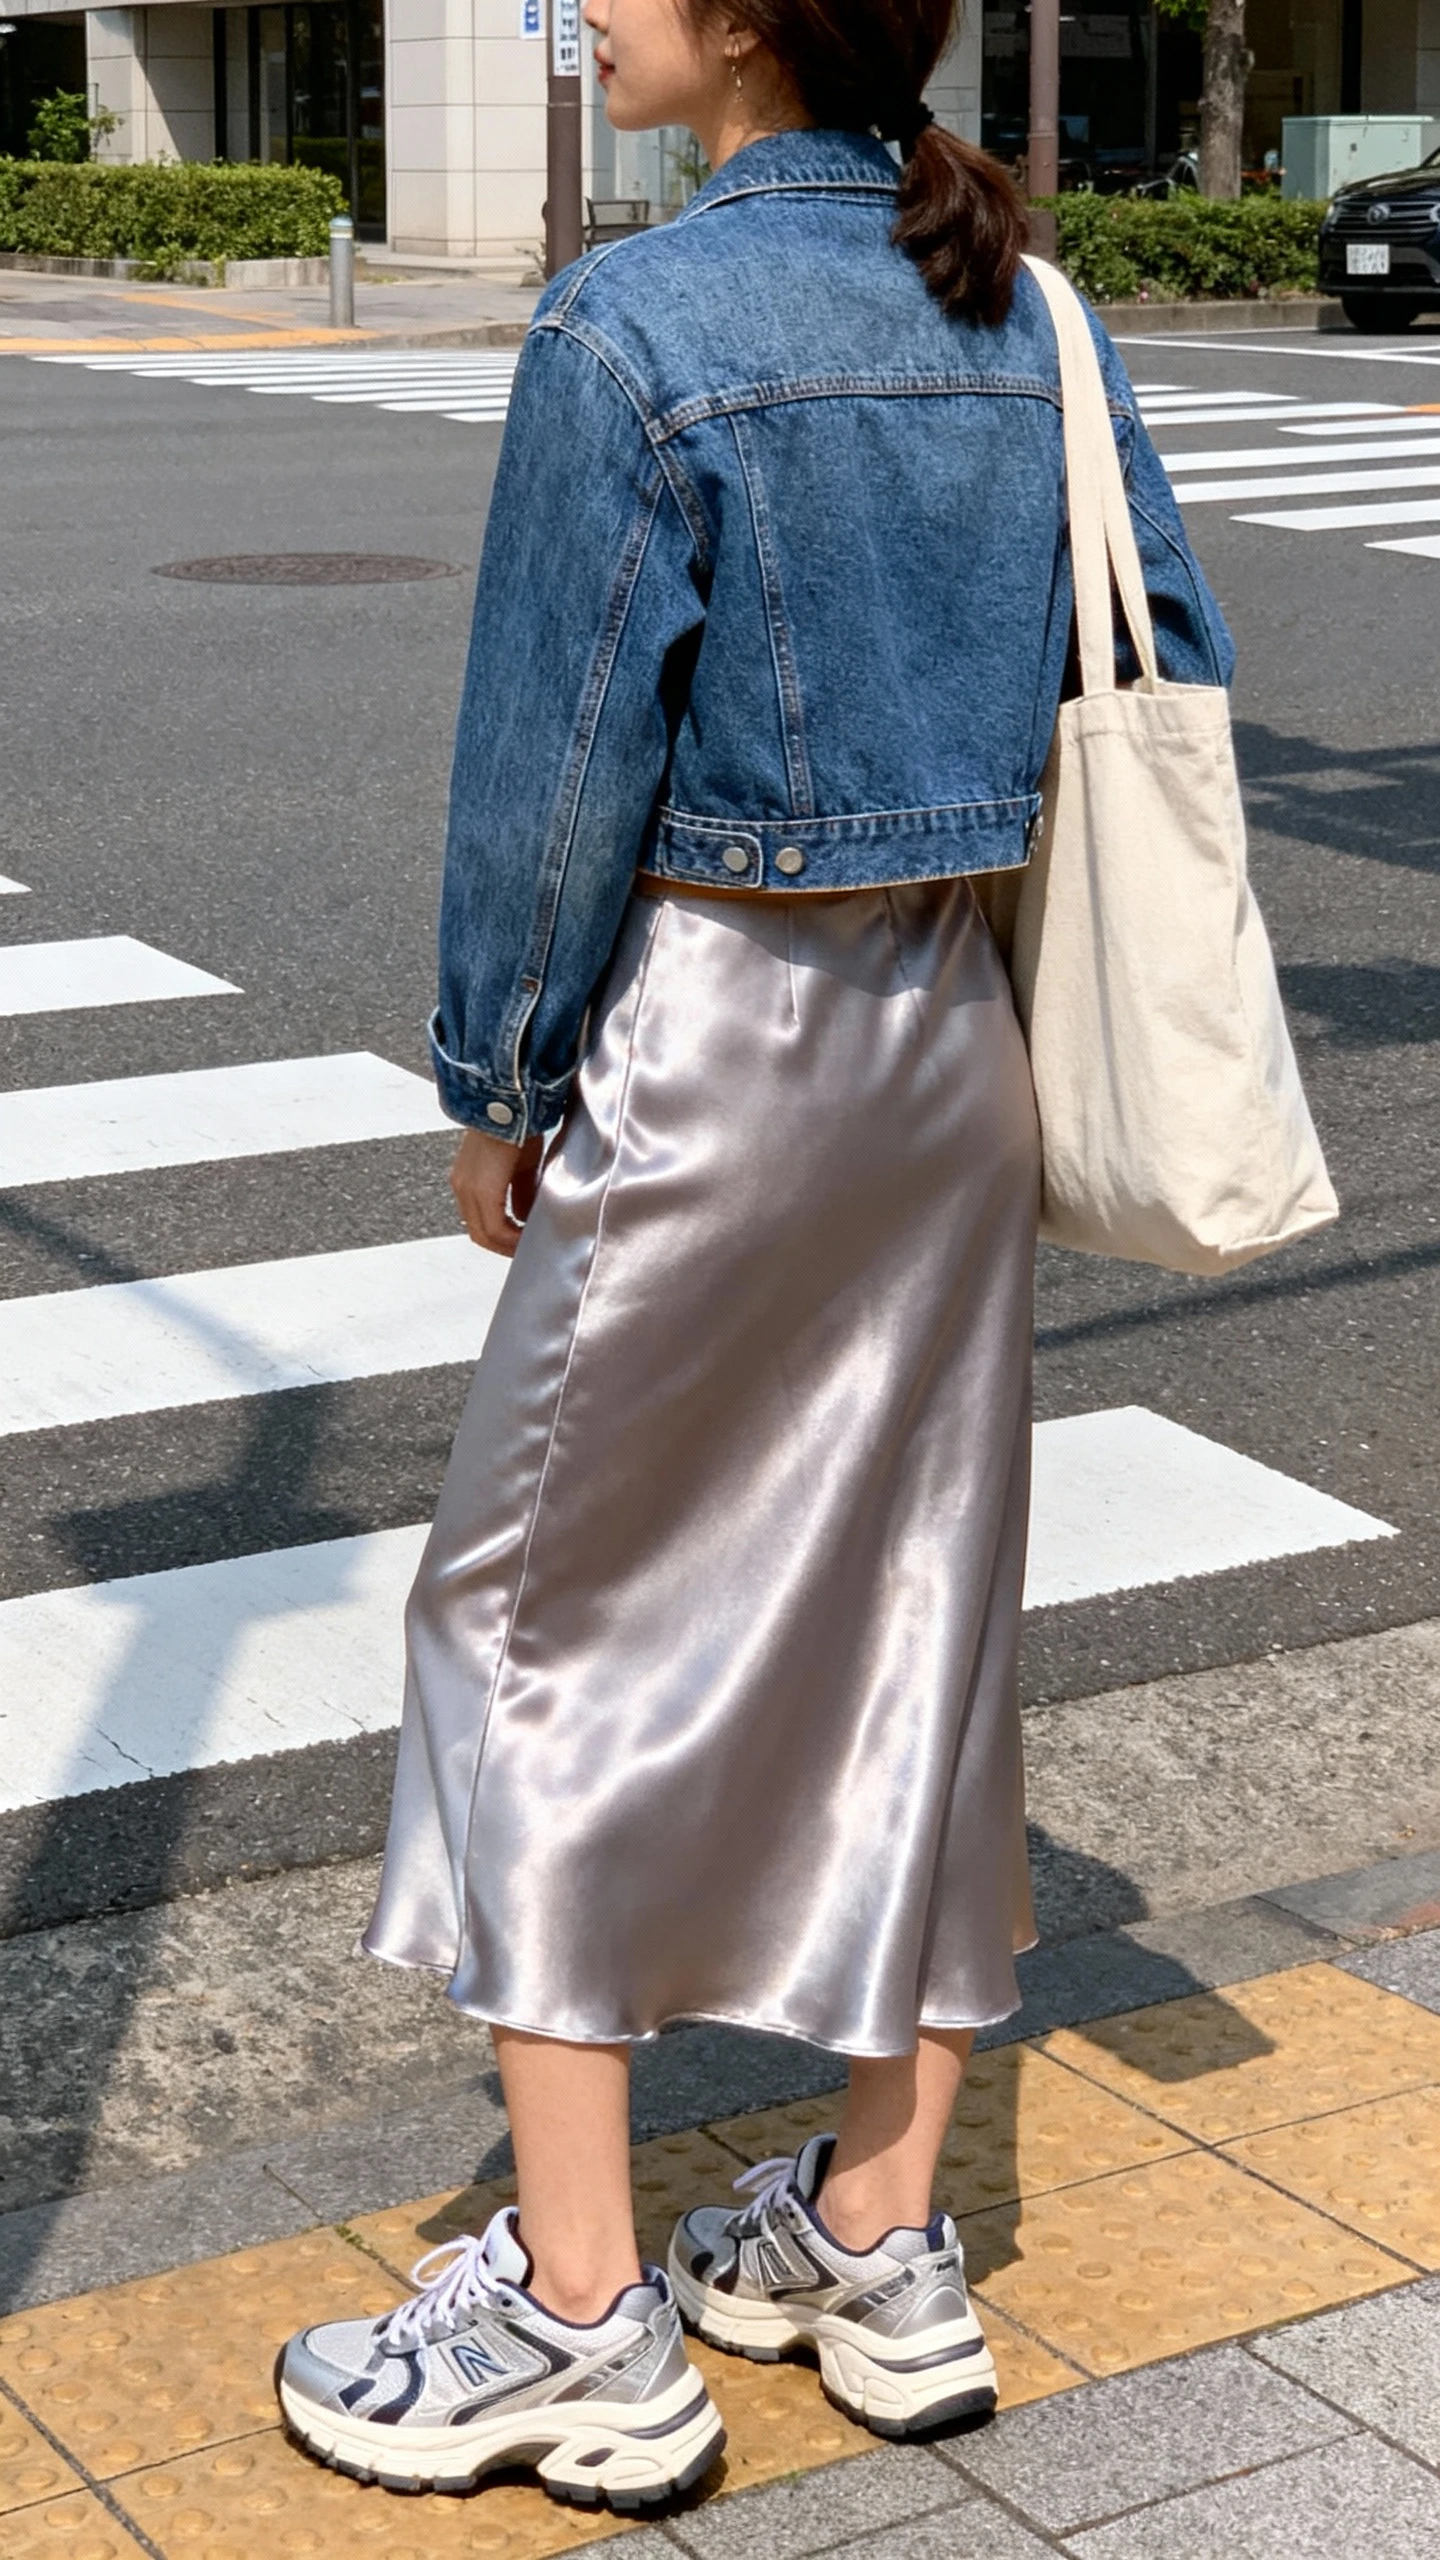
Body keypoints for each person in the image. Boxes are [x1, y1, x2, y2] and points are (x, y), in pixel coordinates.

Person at [277, 0, 1233, 2513]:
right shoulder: (1022, 302)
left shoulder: (639, 327)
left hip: (718, 1039)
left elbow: (558, 763)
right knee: (915, 1609)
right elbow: (1168, 665)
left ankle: (583, 2313)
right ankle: (883, 2236)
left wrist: (496, 1076)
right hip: (952, 1043)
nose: (571, 8)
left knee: (519, 1629)